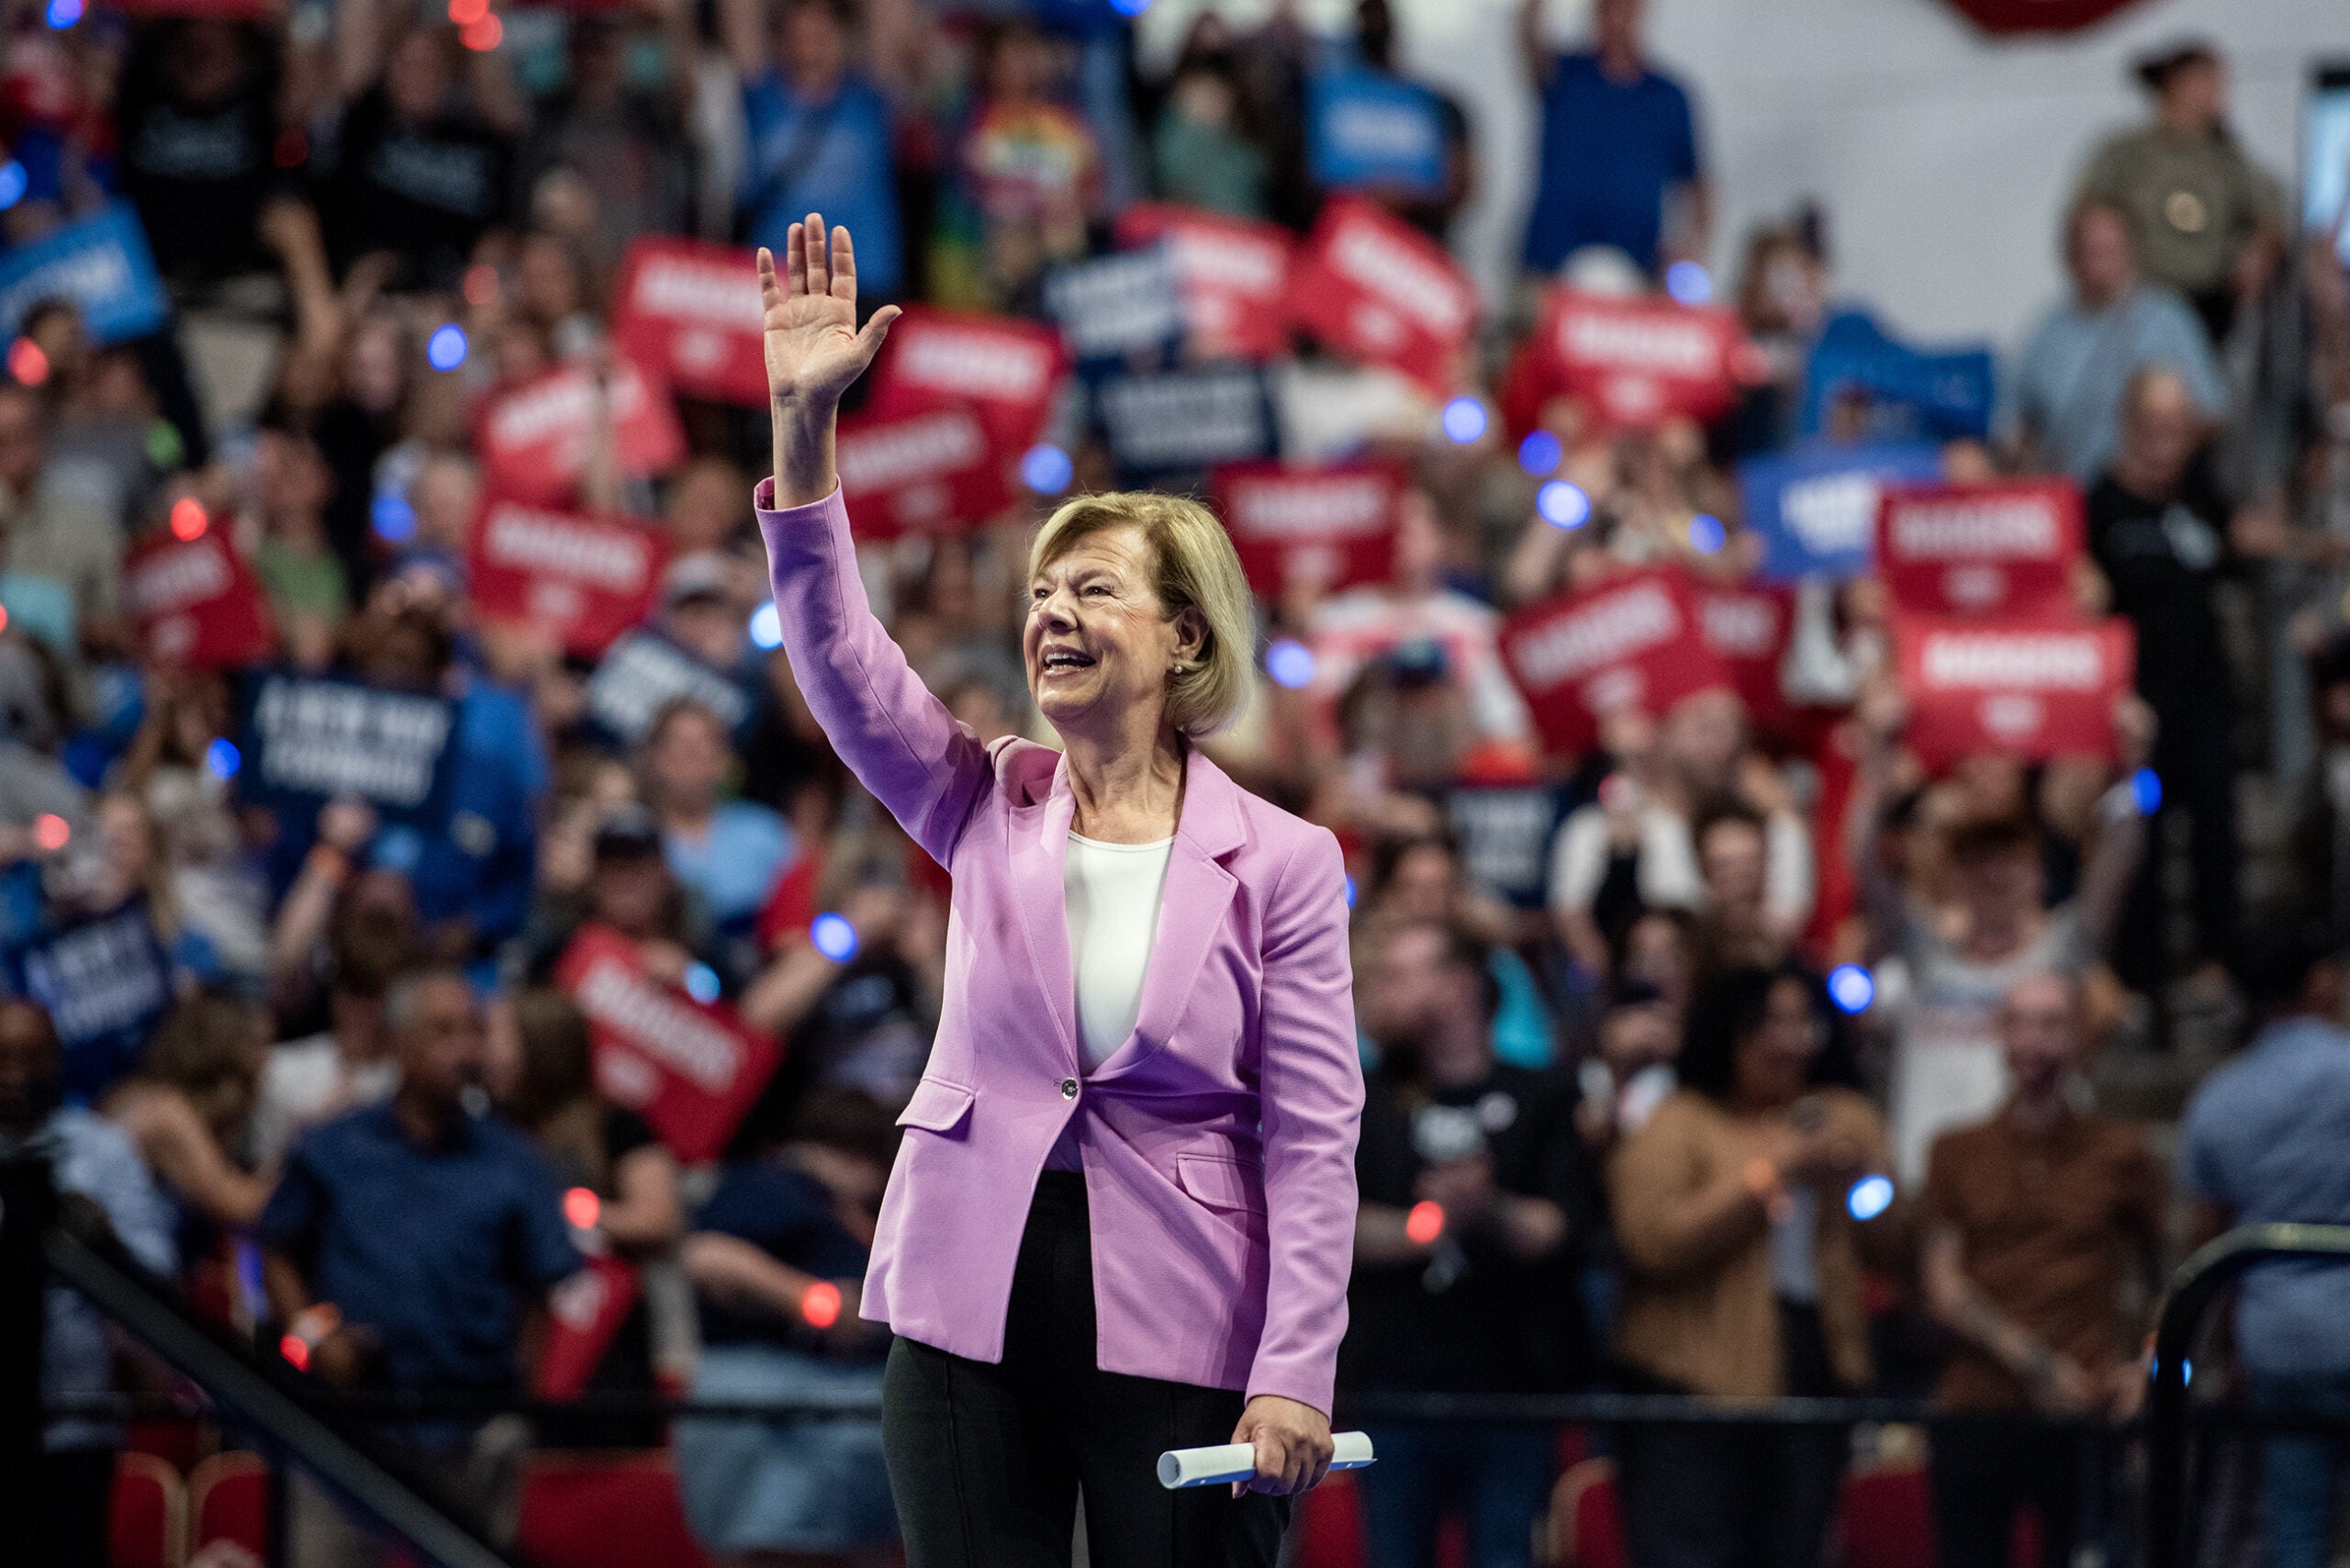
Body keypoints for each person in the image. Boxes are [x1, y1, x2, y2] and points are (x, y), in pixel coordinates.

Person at [755, 214, 1362, 1567]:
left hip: (1189, 1318)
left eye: (1092, 588)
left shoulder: (1285, 861)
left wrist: (1296, 1372)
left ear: (1185, 635)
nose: (1052, 614)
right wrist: (805, 433)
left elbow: (1315, 1141)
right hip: (965, 1301)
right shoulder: (984, 796)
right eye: (1041, 593)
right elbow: (843, 662)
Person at [258, 969, 582, 1567]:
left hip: (470, 1429)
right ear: (399, 1044)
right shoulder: (335, 1146)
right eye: (443, 1032)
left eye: (474, 1031)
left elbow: (541, 1290)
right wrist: (313, 1337)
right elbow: (276, 1250)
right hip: (345, 1425)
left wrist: (517, 1412)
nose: (466, 1049)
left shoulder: (515, 1161)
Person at [1609, 964, 1897, 1568]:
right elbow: (1653, 1240)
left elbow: (1895, 1242)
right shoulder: (1679, 1121)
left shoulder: (1842, 1116)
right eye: (1770, 1024)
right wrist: (1773, 1172)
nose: (1789, 1042)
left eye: (1803, 1024)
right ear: (1729, 1032)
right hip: (1693, 1381)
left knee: (1797, 1540)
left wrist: (1862, 1180)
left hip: (1812, 1358)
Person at [1345, 918, 1588, 1568]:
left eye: (1400, 975)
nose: (1381, 990)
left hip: (1511, 1384)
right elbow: (1332, 1227)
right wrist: (1430, 1223)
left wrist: (1490, 1206)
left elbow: (1560, 1228)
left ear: (1459, 986)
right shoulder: (1366, 1099)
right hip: (1393, 1384)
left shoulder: (1543, 1093)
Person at [1920, 969, 2165, 1568]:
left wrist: (2147, 1368)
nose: (2035, 1040)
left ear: (2079, 1037)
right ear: (2001, 1036)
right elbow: (1943, 1284)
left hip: (2084, 1410)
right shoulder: (1955, 1149)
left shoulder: (2121, 1152)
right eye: (2022, 1023)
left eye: (2052, 1024)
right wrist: (2036, 1365)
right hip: (1978, 1404)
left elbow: (2168, 1280)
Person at [2177, 928, 2350, 1568]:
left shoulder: (2220, 1098)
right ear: (2320, 983)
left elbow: (2210, 1245)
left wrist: (2227, 1352)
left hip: (2276, 1342)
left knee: (2295, 1529)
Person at [676, 1086, 898, 1567]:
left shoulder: (869, 1210)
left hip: (858, 1398)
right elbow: (707, 1257)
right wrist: (809, 1300)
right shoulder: (773, 1185)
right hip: (778, 1391)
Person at [0, 998, 175, 1568]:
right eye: (2, 1058)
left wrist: (104, 1241)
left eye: (31, 1057)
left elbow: (157, 1279)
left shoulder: (103, 1150)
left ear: (57, 1060)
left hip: (77, 1422)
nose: (15, 1074)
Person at [2076, 41, 2287, 346]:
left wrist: (2257, 253)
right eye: (2207, 81)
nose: (2218, 94)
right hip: (2139, 302)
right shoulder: (2127, 152)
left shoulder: (2227, 158)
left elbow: (2272, 213)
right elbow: (2084, 221)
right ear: (2178, 84)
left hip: (2211, 304)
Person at [2007, 196, 2223, 484]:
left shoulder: (2167, 318)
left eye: (2108, 249)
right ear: (2070, 255)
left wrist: (2158, 457)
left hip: (2149, 492)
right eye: (2089, 250)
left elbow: (2210, 414)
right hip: (2072, 493)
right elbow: (2016, 424)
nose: (2098, 263)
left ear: (2131, 251)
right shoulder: (2048, 330)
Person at [725, 0, 902, 298]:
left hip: (862, 280)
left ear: (844, 40)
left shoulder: (870, 99)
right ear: (778, 43)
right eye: (797, 39)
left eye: (820, 38)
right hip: (779, 279)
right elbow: (740, 17)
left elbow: (889, 21)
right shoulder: (760, 99)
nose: (807, 51)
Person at [1517, 0, 1707, 279]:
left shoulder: (1668, 97)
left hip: (1637, 267)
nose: (1616, 20)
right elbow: (1528, 36)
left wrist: (1687, 249)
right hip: (1549, 263)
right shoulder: (1565, 75)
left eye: (1625, 9)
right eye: (1608, 9)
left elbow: (1697, 186)